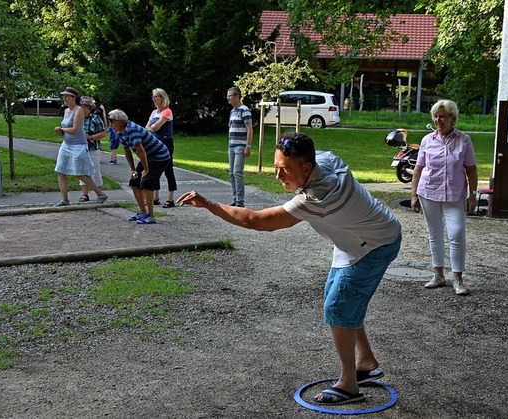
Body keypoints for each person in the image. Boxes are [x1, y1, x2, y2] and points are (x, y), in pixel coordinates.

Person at [177, 132, 402, 405]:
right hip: (356, 238)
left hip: (376, 244)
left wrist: (209, 203)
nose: (278, 176)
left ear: (307, 168)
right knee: (340, 298)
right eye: (276, 168)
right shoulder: (323, 159)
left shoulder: (320, 196)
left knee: (338, 306)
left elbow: (257, 221)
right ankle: (365, 361)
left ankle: (349, 385)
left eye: (285, 170)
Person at [410, 99, 478, 296]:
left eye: (443, 116)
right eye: (436, 116)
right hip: (429, 191)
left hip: (455, 194)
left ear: (452, 118)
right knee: (435, 234)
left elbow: (471, 169)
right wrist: (414, 194)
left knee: (456, 234)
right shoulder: (427, 140)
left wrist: (472, 195)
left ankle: (458, 278)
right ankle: (438, 275)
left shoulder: (463, 140)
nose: (438, 120)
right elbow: (418, 169)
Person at [108, 109, 170, 225]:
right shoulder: (120, 132)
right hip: (147, 156)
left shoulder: (132, 129)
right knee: (134, 181)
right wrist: (132, 170)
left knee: (146, 182)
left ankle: (151, 215)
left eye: (112, 121)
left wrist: (146, 170)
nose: (110, 123)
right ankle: (142, 211)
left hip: (159, 156)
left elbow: (140, 150)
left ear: (120, 122)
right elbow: (127, 151)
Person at [53, 87, 108, 206]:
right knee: (60, 170)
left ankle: (100, 194)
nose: (65, 99)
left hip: (78, 145)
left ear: (73, 98)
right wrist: (62, 130)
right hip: (66, 144)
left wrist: (61, 130)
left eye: (67, 96)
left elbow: (75, 129)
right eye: (64, 96)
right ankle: (64, 199)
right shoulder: (66, 111)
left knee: (80, 173)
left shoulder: (78, 110)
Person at [145, 88, 177, 208]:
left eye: (156, 97)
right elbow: (148, 127)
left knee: (168, 168)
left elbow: (156, 127)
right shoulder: (154, 112)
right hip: (154, 142)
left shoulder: (167, 112)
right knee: (153, 168)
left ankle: (170, 198)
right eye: (153, 97)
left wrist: (152, 127)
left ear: (162, 98)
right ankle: (155, 197)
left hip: (165, 141)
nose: (154, 99)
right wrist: (151, 127)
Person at [226, 86, 253, 207]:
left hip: (240, 146)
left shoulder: (244, 110)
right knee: (232, 172)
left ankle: (240, 201)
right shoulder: (232, 111)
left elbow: (249, 129)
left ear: (237, 96)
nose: (228, 98)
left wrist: (248, 146)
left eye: (230, 96)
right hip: (231, 145)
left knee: (237, 171)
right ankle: (235, 198)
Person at [78, 96, 107, 202]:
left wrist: (90, 137)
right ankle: (85, 194)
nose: (81, 108)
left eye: (83, 106)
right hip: (81, 148)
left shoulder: (95, 118)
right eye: (80, 106)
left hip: (93, 148)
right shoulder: (78, 118)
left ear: (89, 108)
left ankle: (99, 194)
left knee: (95, 171)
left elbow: (103, 133)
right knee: (82, 170)